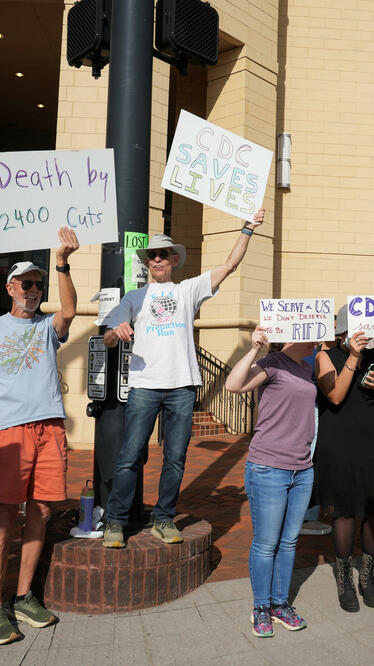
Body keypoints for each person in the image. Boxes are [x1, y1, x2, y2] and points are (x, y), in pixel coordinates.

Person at [102, 209, 265, 549]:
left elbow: (229, 266)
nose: (157, 259)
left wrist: (247, 229)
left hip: (181, 387)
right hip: (145, 386)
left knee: (175, 458)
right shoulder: (134, 298)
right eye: (152, 256)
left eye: (163, 254)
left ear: (174, 259)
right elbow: (106, 337)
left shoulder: (188, 290)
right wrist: (116, 332)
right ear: (147, 262)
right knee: (130, 455)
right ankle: (115, 523)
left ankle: (164, 519)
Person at [0, 228, 79, 644]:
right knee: (3, 517)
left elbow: (69, 311)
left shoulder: (48, 327)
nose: (33, 290)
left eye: (38, 283)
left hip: (50, 426)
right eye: (26, 283)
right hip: (10, 432)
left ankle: (22, 596)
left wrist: (63, 263)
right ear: (11, 287)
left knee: (43, 511)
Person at [225, 326, 317, 638]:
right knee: (266, 544)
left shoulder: (307, 368)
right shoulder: (273, 363)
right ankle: (261, 608)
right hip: (268, 468)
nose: (318, 339)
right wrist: (253, 349)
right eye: (313, 332)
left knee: (289, 542)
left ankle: (280, 605)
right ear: (295, 333)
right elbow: (233, 385)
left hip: (302, 469)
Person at [314, 305, 374, 612]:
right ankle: (344, 578)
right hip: (339, 443)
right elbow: (334, 395)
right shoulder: (325, 355)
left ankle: (367, 575)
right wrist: (352, 356)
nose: (365, 337)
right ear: (345, 332)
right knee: (345, 510)